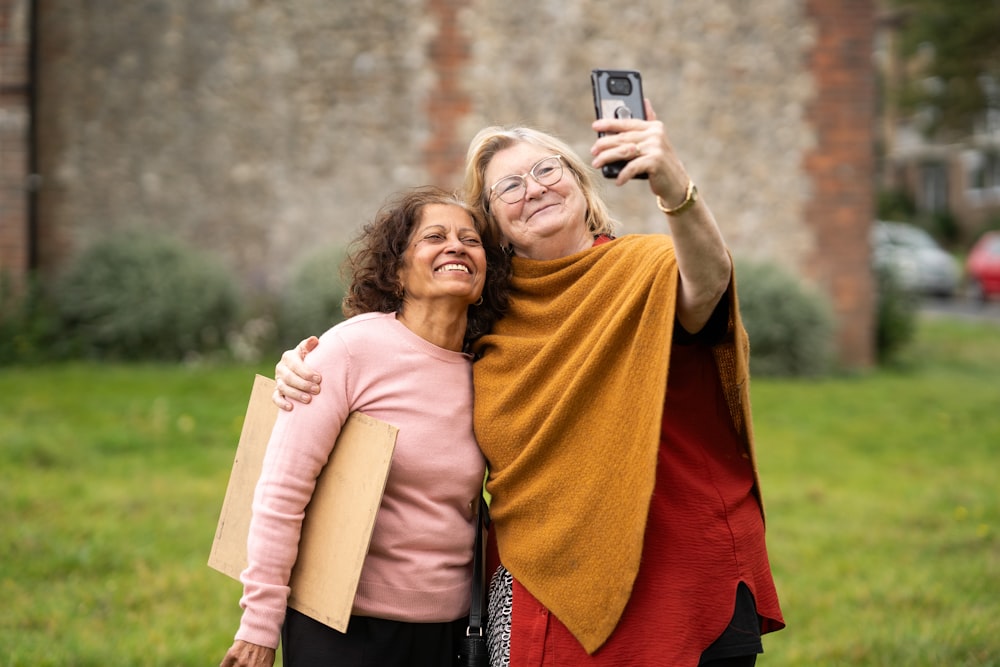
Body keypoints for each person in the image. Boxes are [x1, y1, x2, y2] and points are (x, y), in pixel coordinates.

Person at [273, 100, 785, 666]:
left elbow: (708, 283)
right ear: (493, 224)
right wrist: (306, 363)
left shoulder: (651, 266)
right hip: (541, 584)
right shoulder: (486, 316)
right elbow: (407, 355)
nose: (533, 189)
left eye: (548, 170)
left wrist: (674, 187)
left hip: (677, 569)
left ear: (582, 187)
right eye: (508, 186)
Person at [221, 186, 509, 667]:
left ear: (484, 278)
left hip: (453, 631)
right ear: (397, 272)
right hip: (342, 626)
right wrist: (259, 624)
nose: (456, 246)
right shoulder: (350, 352)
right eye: (434, 236)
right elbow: (281, 491)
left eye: (470, 240)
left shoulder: (490, 368)